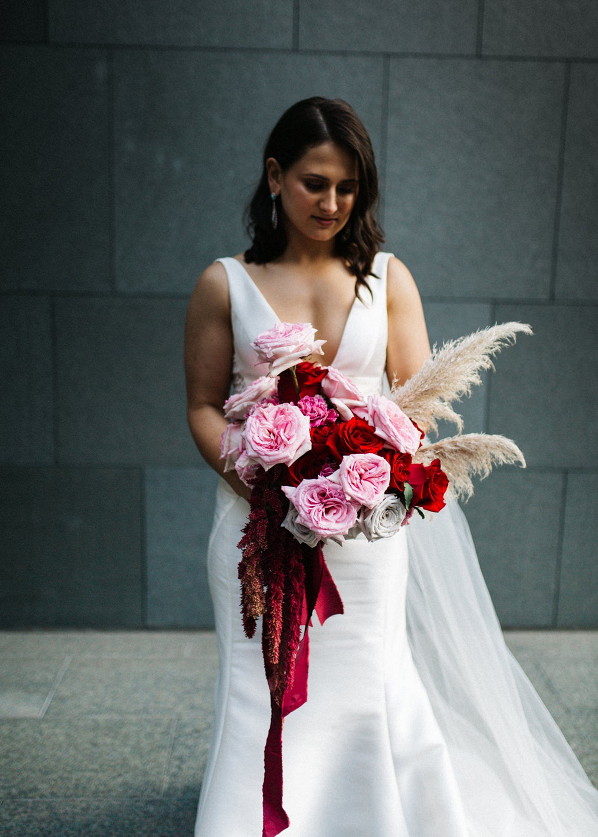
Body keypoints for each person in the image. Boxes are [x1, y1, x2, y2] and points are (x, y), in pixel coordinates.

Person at [184, 97, 598, 837]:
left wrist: (365, 469)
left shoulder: (385, 278)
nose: (333, 203)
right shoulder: (224, 283)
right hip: (255, 528)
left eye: (348, 188)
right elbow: (203, 407)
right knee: (259, 684)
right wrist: (266, 483)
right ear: (274, 177)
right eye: (315, 183)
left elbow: (417, 406)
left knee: (365, 679)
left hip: (366, 537)